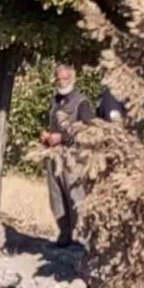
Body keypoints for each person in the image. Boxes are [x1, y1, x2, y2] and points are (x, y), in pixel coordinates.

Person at [40, 64, 93, 247]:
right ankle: (64, 234)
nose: (61, 82)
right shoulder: (55, 101)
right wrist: (47, 137)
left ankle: (80, 237)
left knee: (75, 197)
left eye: (65, 78)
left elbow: (88, 132)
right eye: (58, 78)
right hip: (54, 156)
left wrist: (62, 137)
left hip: (73, 158)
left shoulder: (82, 103)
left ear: (73, 79)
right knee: (56, 196)